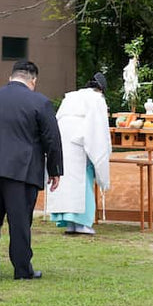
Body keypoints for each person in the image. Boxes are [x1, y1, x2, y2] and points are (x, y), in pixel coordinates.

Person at [0, 60, 63, 279]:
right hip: (21, 169)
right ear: (33, 80)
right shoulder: (39, 102)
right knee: (20, 221)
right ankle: (22, 269)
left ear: (10, 77)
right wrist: (55, 169)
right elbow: (52, 138)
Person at [46, 73, 112, 236]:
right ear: (101, 90)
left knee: (66, 181)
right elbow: (98, 130)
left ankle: (70, 224)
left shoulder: (70, 97)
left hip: (62, 141)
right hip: (81, 142)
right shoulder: (97, 100)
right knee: (82, 180)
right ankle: (82, 224)